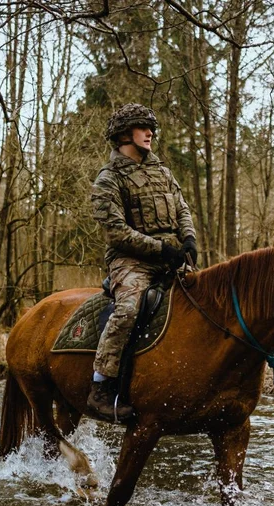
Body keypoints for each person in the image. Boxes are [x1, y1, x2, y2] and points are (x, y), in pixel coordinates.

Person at [87, 103, 198, 423]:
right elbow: (116, 232)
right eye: (142, 127)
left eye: (151, 128)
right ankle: (101, 386)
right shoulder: (108, 178)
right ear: (125, 134)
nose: (150, 133)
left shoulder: (162, 170)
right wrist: (160, 249)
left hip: (172, 256)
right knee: (129, 308)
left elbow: (182, 209)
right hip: (130, 261)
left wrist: (188, 239)